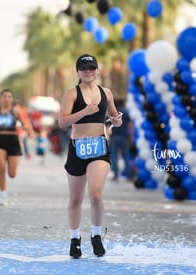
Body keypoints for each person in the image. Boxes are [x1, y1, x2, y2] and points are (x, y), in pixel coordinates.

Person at [58, 54, 123, 258]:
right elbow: (62, 122)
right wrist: (84, 111)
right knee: (76, 198)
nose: (88, 72)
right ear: (78, 72)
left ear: (97, 71)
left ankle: (96, 236)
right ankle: (75, 240)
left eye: (91, 68)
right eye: (84, 69)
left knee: (95, 192)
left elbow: (114, 118)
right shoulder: (72, 93)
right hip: (78, 147)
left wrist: (116, 120)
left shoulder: (106, 92)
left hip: (99, 147)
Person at [0, 89, 34, 206]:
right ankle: (3, 196)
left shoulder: (16, 111)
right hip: (0, 140)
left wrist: (27, 130)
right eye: (4, 96)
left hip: (13, 141)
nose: (6, 99)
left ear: (11, 99)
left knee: (12, 174)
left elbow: (24, 124)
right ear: (0, 98)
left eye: (9, 97)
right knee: (1, 168)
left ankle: (9, 160)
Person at [108, 98, 133, 182]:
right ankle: (129, 176)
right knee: (126, 156)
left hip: (114, 137)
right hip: (124, 137)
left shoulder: (111, 113)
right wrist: (131, 137)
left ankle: (115, 175)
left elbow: (107, 125)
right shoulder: (125, 112)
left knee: (114, 156)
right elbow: (130, 125)